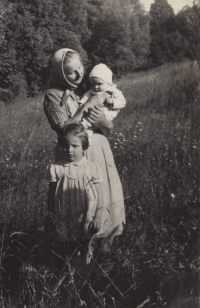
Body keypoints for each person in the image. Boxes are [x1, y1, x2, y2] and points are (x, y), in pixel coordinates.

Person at [43, 48, 125, 253]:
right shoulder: (52, 96)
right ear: (60, 74)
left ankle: (104, 253)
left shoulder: (86, 88)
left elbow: (108, 129)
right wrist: (86, 105)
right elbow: (64, 131)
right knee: (78, 205)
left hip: (99, 152)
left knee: (103, 198)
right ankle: (77, 256)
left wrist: (104, 121)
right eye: (72, 72)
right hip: (74, 157)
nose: (79, 74)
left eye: (80, 67)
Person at [47, 123, 103, 263]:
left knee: (86, 244)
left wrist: (98, 216)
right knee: (66, 247)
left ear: (84, 145)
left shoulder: (92, 168)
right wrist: (50, 216)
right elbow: (51, 196)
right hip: (64, 215)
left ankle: (85, 272)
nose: (69, 150)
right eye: (65, 146)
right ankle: (68, 274)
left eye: (75, 146)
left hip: (85, 215)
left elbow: (100, 195)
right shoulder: (57, 168)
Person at [79, 63, 126, 145]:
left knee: (97, 123)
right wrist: (82, 103)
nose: (96, 87)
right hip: (94, 113)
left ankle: (88, 134)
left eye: (99, 84)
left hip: (108, 113)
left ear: (108, 82)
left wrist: (113, 101)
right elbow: (86, 96)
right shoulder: (92, 91)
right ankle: (87, 138)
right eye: (93, 84)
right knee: (88, 124)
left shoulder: (113, 91)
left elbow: (122, 102)